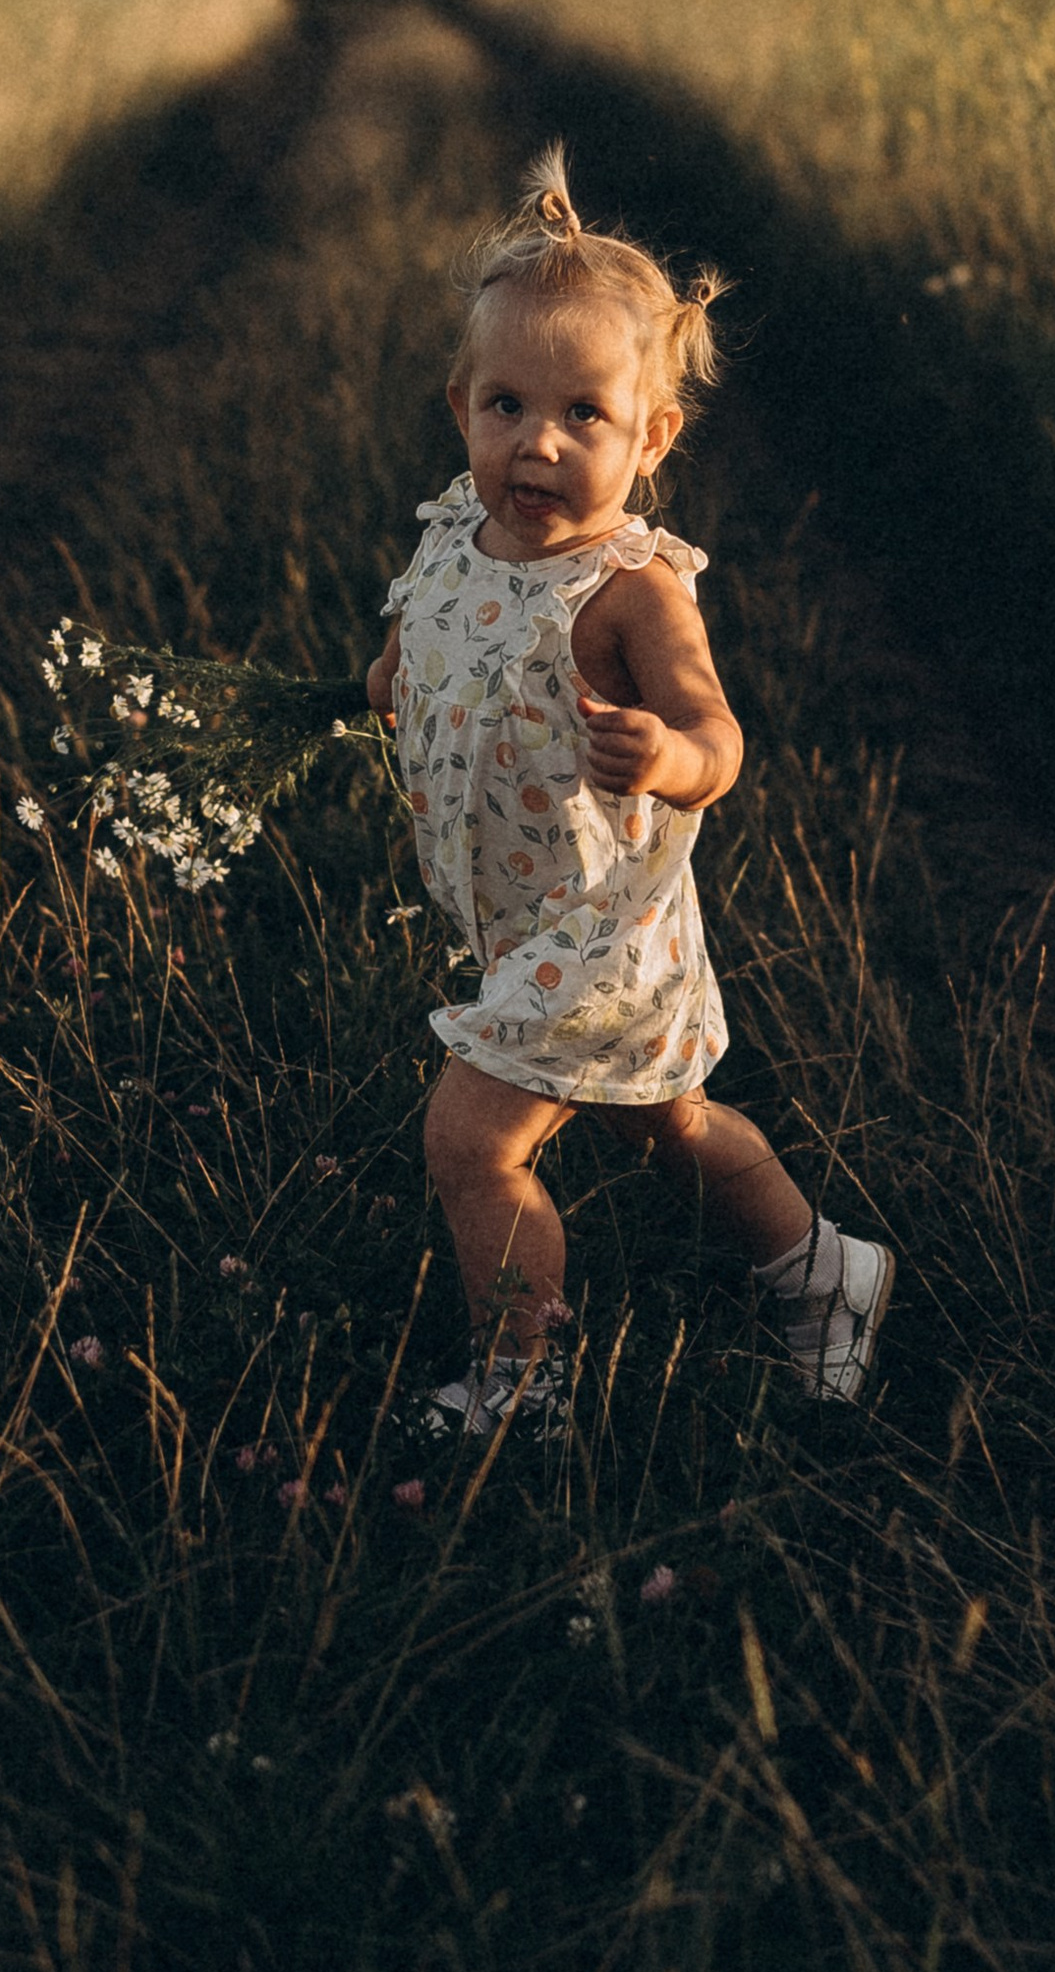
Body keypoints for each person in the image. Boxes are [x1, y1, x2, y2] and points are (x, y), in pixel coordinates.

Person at [365, 145, 893, 1438]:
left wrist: (665, 758)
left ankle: (520, 1382)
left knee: (472, 1142)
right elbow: (420, 638)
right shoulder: (454, 533)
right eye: (506, 407)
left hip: (599, 931)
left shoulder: (631, 588)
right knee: (672, 1120)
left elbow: (720, 741)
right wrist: (392, 675)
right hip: (522, 918)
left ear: (653, 434)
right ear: (460, 408)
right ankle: (823, 1267)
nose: (536, 442)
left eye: (583, 415)